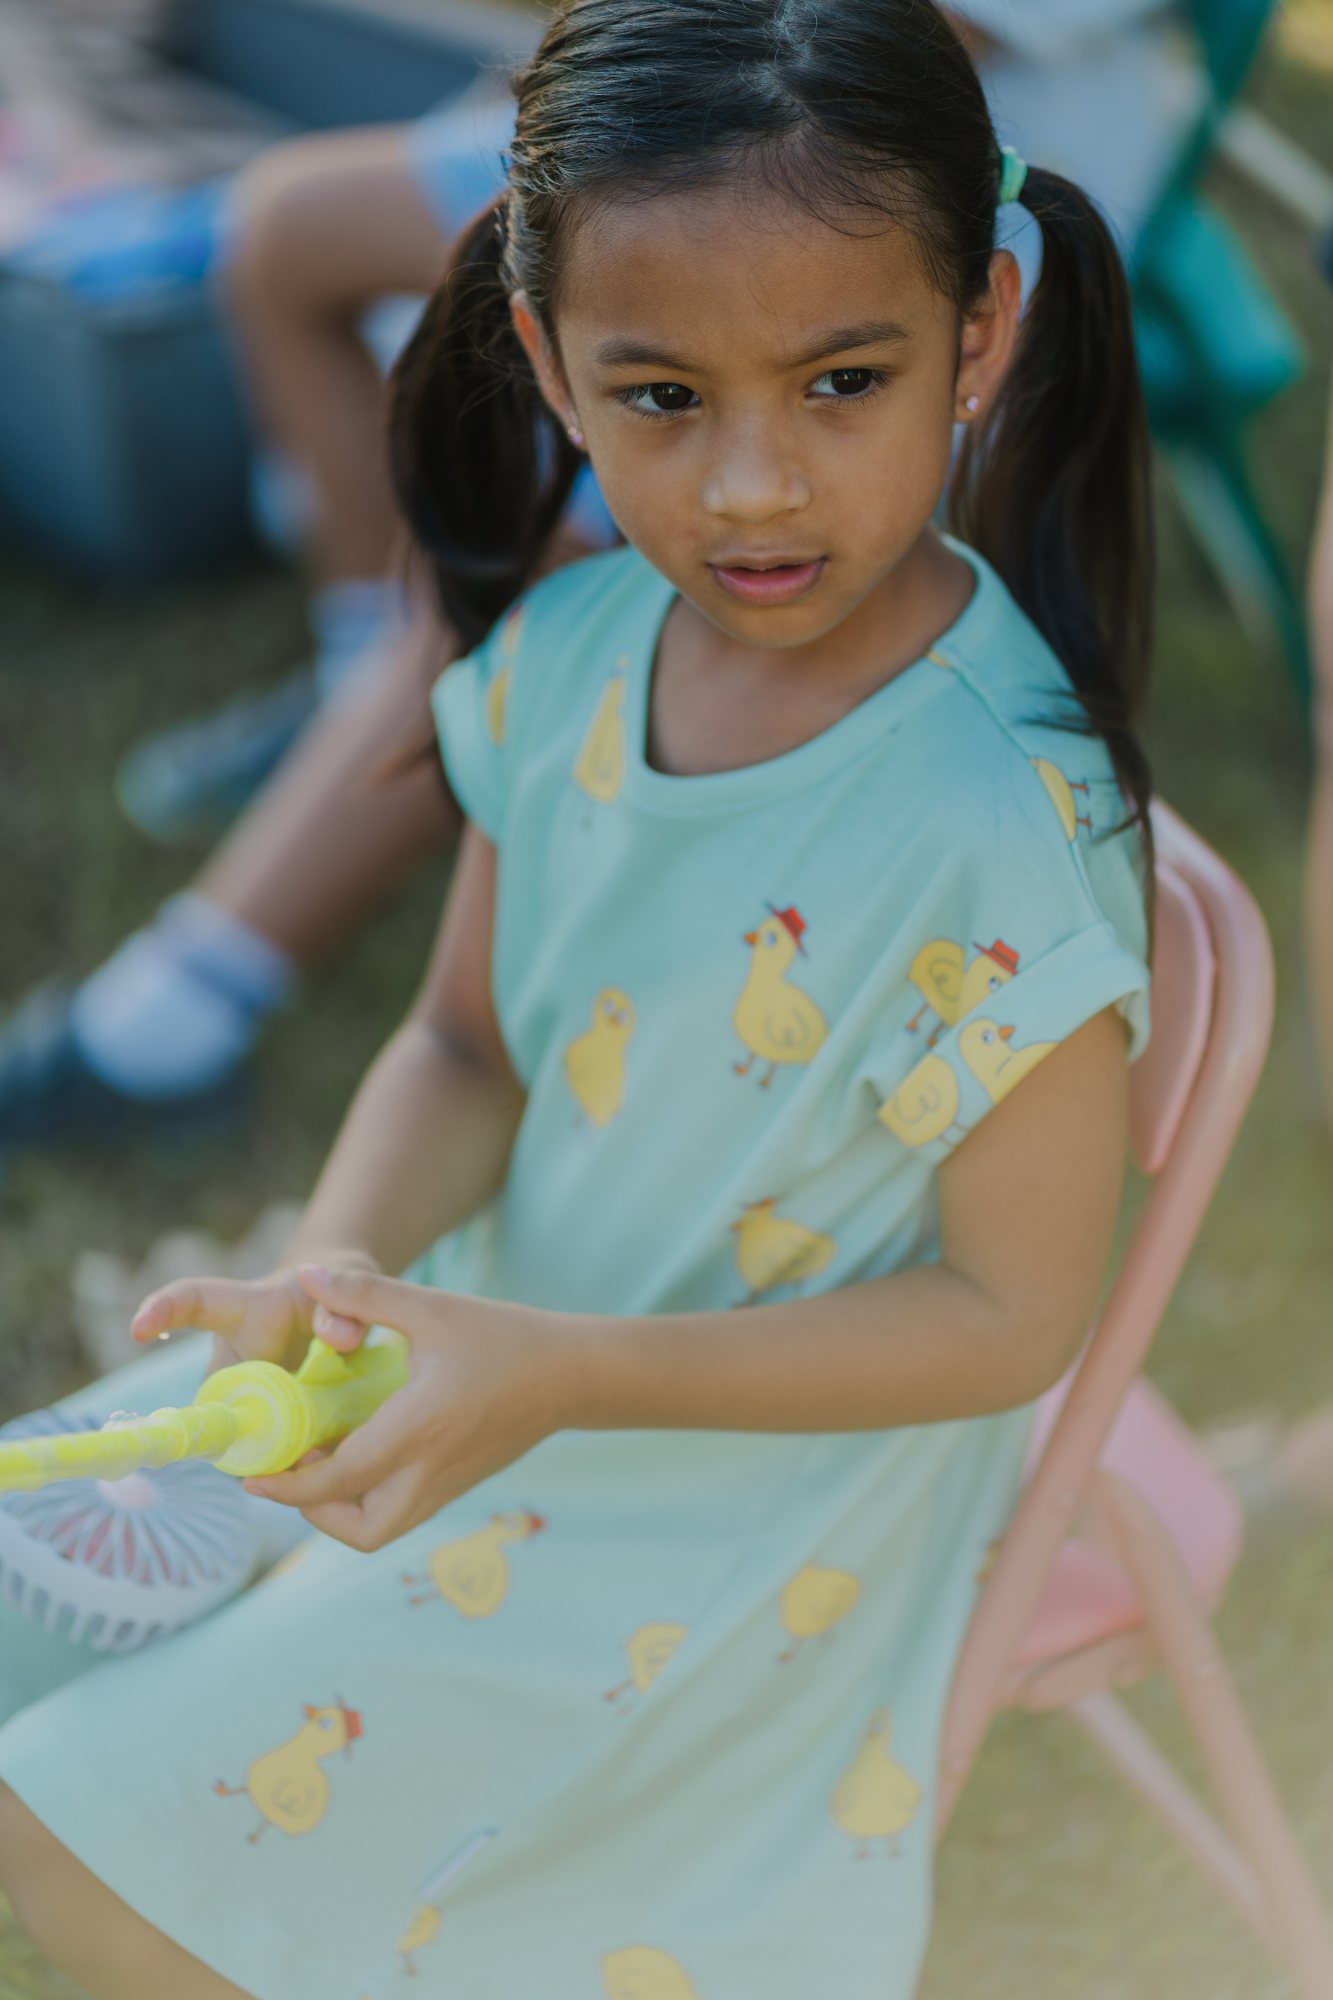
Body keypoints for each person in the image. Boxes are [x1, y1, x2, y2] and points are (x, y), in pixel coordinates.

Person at [0, 1, 1155, 1992]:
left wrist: (553, 1372)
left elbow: (1012, 1316)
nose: (754, 488)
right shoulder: (573, 645)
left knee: (73, 1829)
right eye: (662, 397)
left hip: (725, 1514)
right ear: (546, 359)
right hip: (474, 1354)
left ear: (984, 325)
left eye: (841, 378)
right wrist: (341, 1268)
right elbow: (463, 1037)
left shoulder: (1002, 820)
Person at [0, 91, 614, 1149]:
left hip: (807, 132)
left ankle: (174, 1024)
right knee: (284, 226)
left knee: (507, 547)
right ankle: (361, 675)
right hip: (676, 97)